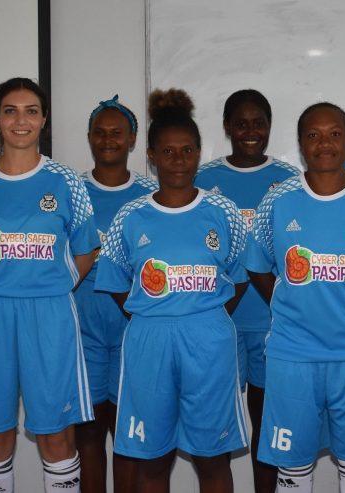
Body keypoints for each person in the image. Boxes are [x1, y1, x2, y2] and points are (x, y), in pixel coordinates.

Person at [0, 77, 100, 493]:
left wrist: (53, 283)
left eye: (31, 110)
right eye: (10, 110)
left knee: (56, 434)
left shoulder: (67, 182)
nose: (21, 120)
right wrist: (1, 284)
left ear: (44, 119)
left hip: (49, 312)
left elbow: (86, 249)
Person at [246, 102, 345, 493]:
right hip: (292, 355)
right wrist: (288, 306)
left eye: (334, 134)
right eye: (313, 135)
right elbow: (257, 264)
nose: (324, 143)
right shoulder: (278, 200)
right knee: (294, 466)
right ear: (301, 144)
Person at [95, 88, 248, 493]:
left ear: (199, 153)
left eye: (187, 151)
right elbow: (113, 282)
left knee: (212, 457)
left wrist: (203, 314)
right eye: (167, 152)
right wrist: (154, 314)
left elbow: (242, 276)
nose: (178, 160)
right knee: (152, 458)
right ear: (151, 156)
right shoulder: (131, 215)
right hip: (149, 340)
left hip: (209, 340)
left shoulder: (223, 211)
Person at [194, 88, 299, 493]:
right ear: (227, 127)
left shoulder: (290, 182)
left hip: (276, 325)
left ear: (270, 127)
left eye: (259, 123)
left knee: (269, 427)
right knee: (217, 426)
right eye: (241, 123)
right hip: (220, 325)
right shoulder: (204, 179)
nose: (250, 131)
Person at [75, 95, 156, 493]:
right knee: (87, 433)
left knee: (129, 434)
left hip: (132, 328)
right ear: (89, 137)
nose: (108, 140)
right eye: (100, 133)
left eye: (117, 133)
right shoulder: (69, 190)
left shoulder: (151, 194)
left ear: (132, 139)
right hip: (82, 325)